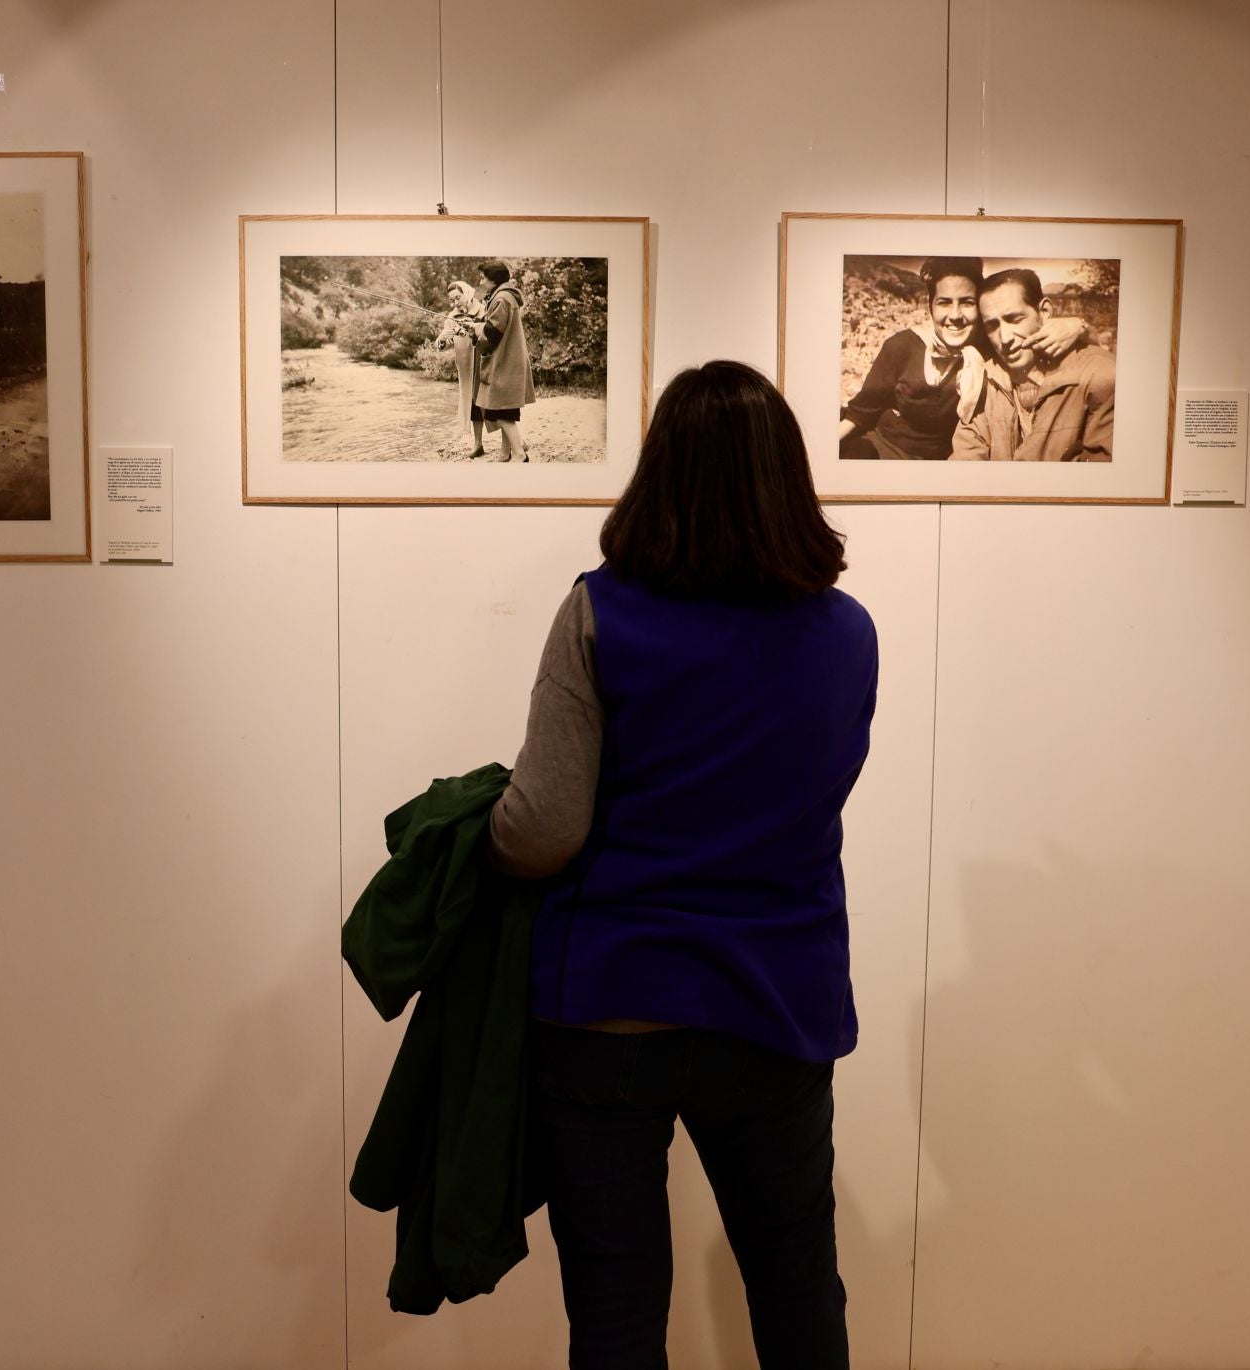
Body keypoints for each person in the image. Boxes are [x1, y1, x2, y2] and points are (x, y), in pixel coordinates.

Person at [488, 360, 878, 1369]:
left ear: (657, 473)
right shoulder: (848, 634)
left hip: (609, 1005)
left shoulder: (599, 614)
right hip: (776, 1006)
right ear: (788, 478)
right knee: (797, 1283)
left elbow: (542, 830)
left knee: (617, 1311)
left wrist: (475, 830)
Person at [839, 256, 1086, 460]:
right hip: (885, 451)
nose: (955, 315)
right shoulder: (902, 346)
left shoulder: (994, 348)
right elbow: (860, 413)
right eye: (944, 303)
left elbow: (1044, 341)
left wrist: (1078, 325)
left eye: (966, 303)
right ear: (930, 307)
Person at [952, 267, 1115, 461]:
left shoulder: (1096, 373)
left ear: (1044, 311)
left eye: (1014, 319)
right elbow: (965, 459)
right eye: (992, 325)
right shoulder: (983, 381)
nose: (1005, 338)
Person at [472, 260, 536, 462]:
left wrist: (476, 329)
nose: (480, 281)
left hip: (505, 362)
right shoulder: (506, 296)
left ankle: (519, 452)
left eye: (483, 277)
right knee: (505, 408)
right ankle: (507, 452)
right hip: (509, 360)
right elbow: (493, 326)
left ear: (494, 279)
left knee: (498, 410)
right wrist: (477, 325)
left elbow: (491, 335)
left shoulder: (502, 298)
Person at [434, 280, 488, 459]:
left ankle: (515, 439)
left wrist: (473, 327)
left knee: (493, 402)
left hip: (485, 363)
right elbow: (445, 338)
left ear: (467, 293)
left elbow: (491, 334)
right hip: (466, 368)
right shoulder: (452, 317)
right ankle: (478, 444)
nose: (455, 303)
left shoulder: (483, 310)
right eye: (452, 300)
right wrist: (442, 340)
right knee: (472, 404)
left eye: (458, 298)